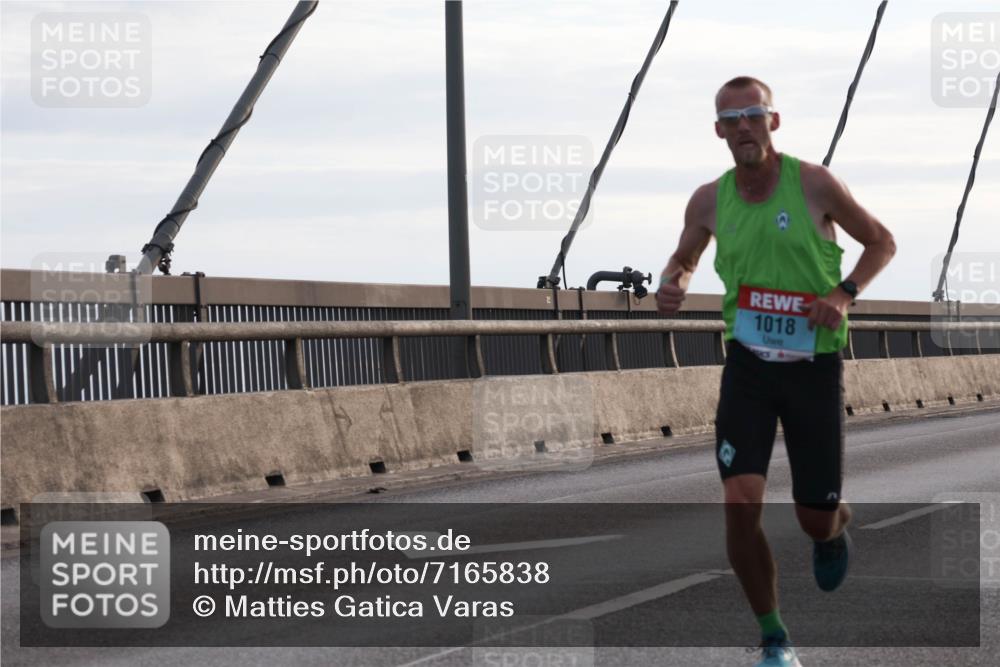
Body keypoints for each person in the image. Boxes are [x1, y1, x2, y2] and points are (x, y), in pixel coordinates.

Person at [655, 76, 896, 667]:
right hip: (749, 366)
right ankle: (774, 637)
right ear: (718, 131)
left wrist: (842, 295)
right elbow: (685, 257)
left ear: (773, 122)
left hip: (813, 365)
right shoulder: (709, 199)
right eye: (731, 119)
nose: (743, 127)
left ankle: (834, 527)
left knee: (813, 518)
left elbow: (882, 242)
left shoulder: (813, 184)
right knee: (739, 501)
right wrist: (673, 282)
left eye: (753, 115)